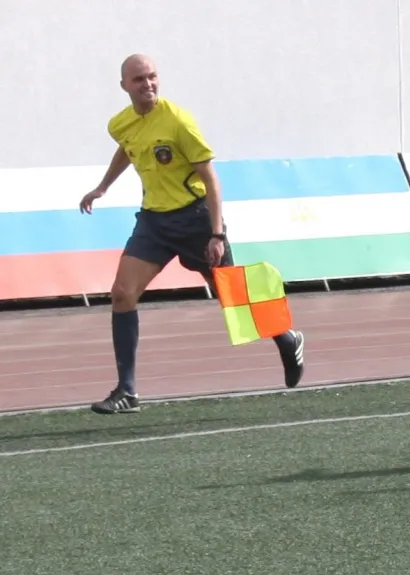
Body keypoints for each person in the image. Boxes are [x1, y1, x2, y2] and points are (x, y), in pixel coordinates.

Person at [79, 54, 306, 415]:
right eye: (138, 79)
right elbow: (128, 148)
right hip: (154, 222)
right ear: (124, 86)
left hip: (195, 220)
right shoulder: (120, 123)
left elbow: (211, 180)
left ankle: (286, 337)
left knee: (231, 297)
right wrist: (103, 186)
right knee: (122, 294)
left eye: (152, 76)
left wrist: (216, 235)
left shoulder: (179, 121)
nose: (147, 84)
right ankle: (127, 391)